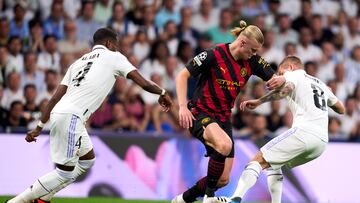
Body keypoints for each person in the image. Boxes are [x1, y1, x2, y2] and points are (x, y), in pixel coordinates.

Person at [6, 28, 172, 203]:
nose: (117, 48)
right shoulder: (114, 57)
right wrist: (162, 92)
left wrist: (39, 126)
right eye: (115, 45)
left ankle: (43, 199)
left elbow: (55, 96)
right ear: (109, 43)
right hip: (72, 116)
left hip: (62, 114)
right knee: (64, 172)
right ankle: (16, 201)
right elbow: (143, 82)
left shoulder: (77, 63)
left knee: (87, 161)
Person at [172, 20, 285, 203]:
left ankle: (183, 199)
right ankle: (209, 198)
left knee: (223, 179)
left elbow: (275, 80)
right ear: (242, 43)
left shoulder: (253, 61)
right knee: (224, 145)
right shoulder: (214, 54)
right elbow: (182, 75)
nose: (254, 55)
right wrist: (182, 106)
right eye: (253, 50)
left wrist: (281, 81)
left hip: (223, 118)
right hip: (200, 113)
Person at [205, 56, 345, 203]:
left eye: (280, 72)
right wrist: (327, 94)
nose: (279, 76)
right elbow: (340, 109)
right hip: (321, 143)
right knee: (274, 165)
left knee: (257, 160)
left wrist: (260, 100)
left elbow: (286, 89)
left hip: (304, 132)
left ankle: (234, 199)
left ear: (290, 67)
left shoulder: (293, 74)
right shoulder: (320, 84)